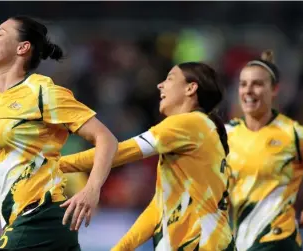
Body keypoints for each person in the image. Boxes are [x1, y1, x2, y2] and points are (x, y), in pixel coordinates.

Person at [0, 16, 118, 251]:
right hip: (20, 221)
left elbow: (106, 139)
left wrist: (91, 190)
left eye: (0, 34)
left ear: (23, 47)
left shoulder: (42, 92)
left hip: (41, 215)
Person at [60, 62, 236, 250]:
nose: (160, 85)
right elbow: (158, 209)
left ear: (191, 88)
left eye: (170, 78)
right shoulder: (200, 130)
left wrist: (55, 164)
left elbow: (117, 153)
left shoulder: (187, 124)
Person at [225, 50, 303, 251]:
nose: (248, 91)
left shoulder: (293, 135)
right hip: (240, 242)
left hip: (278, 241)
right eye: (243, 84)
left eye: (257, 84)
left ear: (275, 89)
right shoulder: (227, 134)